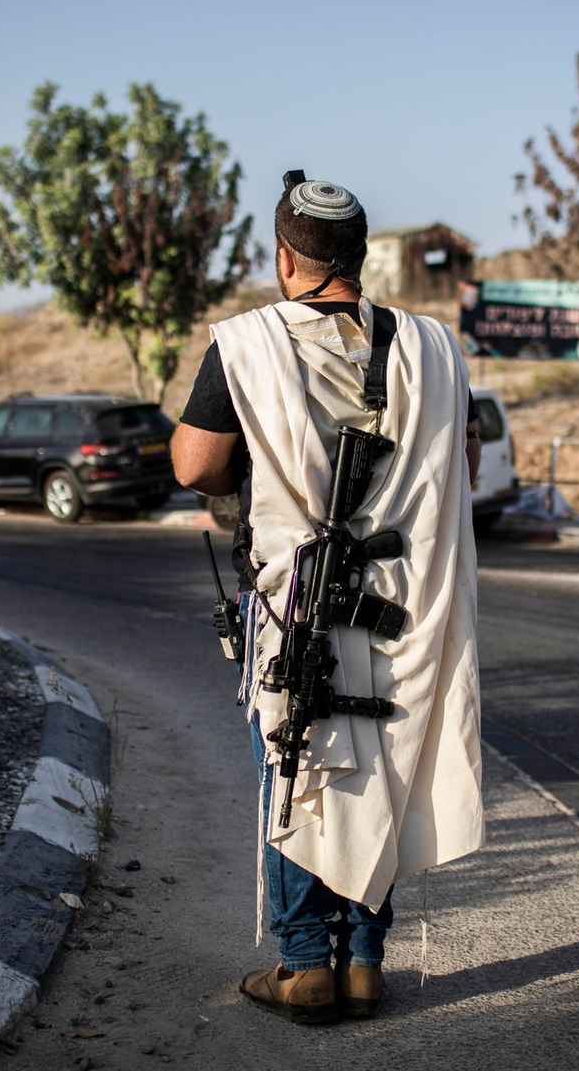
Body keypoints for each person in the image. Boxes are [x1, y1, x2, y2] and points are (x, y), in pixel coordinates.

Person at [170, 173, 483, 1024]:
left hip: (297, 599)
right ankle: (365, 962)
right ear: (360, 255)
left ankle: (307, 964)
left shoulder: (247, 342)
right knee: (380, 765)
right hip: (405, 600)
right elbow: (466, 465)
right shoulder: (433, 345)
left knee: (298, 760)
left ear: (284, 257)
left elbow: (195, 466)